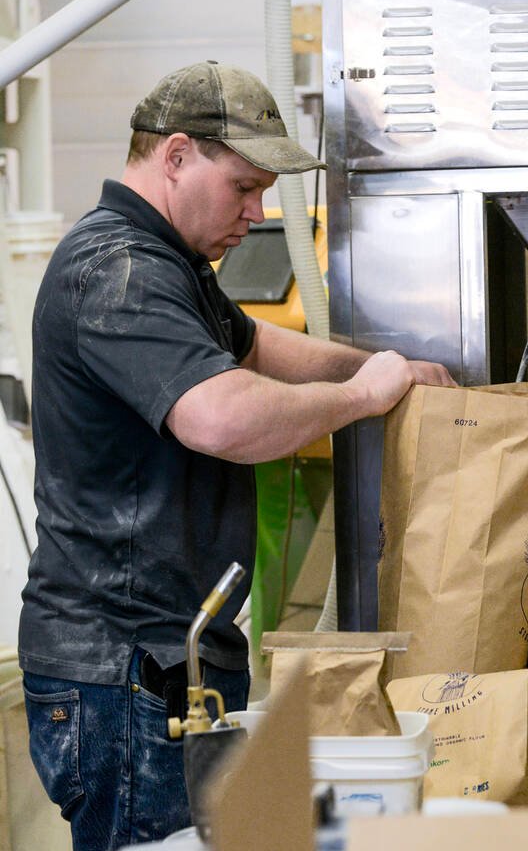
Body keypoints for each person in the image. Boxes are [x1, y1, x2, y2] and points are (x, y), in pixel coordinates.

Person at [18, 61, 454, 850]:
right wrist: (364, 399)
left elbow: (253, 350)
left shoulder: (168, 262)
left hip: (166, 663)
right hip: (126, 673)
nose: (256, 213)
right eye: (245, 188)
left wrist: (377, 364)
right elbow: (220, 417)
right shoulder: (116, 271)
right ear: (176, 156)